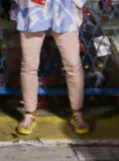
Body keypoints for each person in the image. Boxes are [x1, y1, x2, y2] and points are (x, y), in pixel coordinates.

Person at [14, 0, 89, 135]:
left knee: (73, 64)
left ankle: (77, 112)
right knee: (29, 65)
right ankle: (29, 113)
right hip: (32, 6)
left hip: (62, 6)